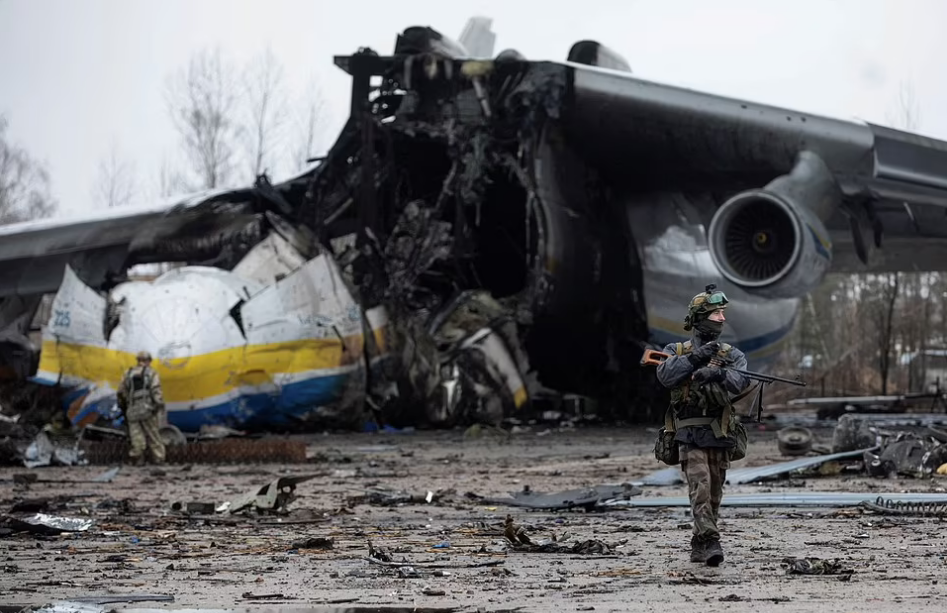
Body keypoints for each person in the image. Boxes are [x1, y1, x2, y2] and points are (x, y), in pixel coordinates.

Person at [655, 285, 750, 566]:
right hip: (689, 432)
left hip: (719, 432)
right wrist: (695, 359)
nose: (721, 318)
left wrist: (717, 373)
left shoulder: (731, 355)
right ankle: (711, 541)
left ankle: (699, 544)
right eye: (716, 313)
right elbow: (665, 375)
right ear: (700, 318)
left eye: (722, 313)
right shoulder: (677, 350)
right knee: (701, 489)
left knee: (715, 495)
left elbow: (740, 382)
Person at [117, 351, 166, 465]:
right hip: (147, 409)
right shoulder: (151, 373)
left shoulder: (128, 373)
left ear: (138, 360)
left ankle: (138, 458)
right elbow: (156, 390)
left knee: (136, 436)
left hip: (132, 410)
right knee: (153, 435)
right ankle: (158, 458)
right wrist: (159, 405)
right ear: (148, 361)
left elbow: (121, 392)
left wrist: (125, 406)